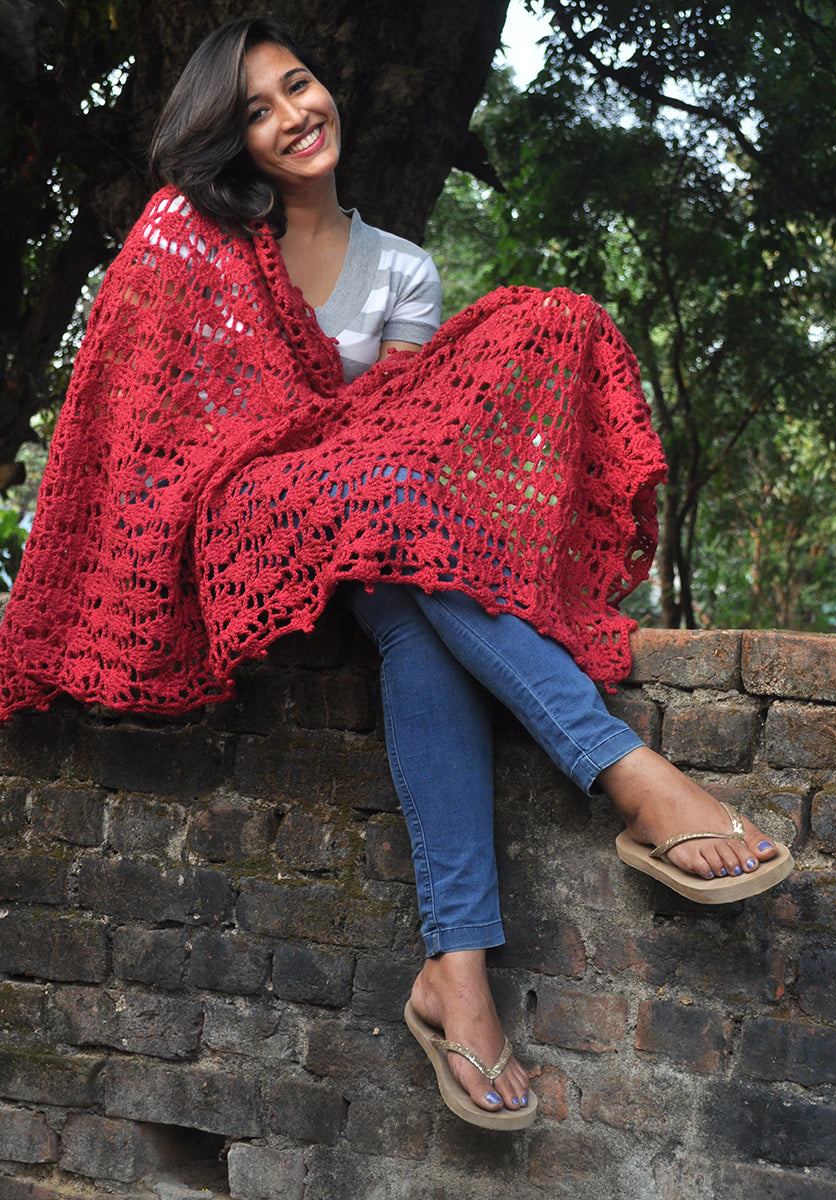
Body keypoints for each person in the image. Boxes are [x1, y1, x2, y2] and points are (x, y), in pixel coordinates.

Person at [0, 17, 793, 1130]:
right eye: (257, 110)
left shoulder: (402, 268)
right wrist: (296, 461)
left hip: (370, 542)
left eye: (299, 85)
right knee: (383, 514)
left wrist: (359, 469)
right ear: (228, 138)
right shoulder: (189, 235)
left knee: (494, 408)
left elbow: (411, 437)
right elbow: (143, 421)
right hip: (235, 523)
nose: (294, 115)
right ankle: (627, 771)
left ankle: (454, 973)